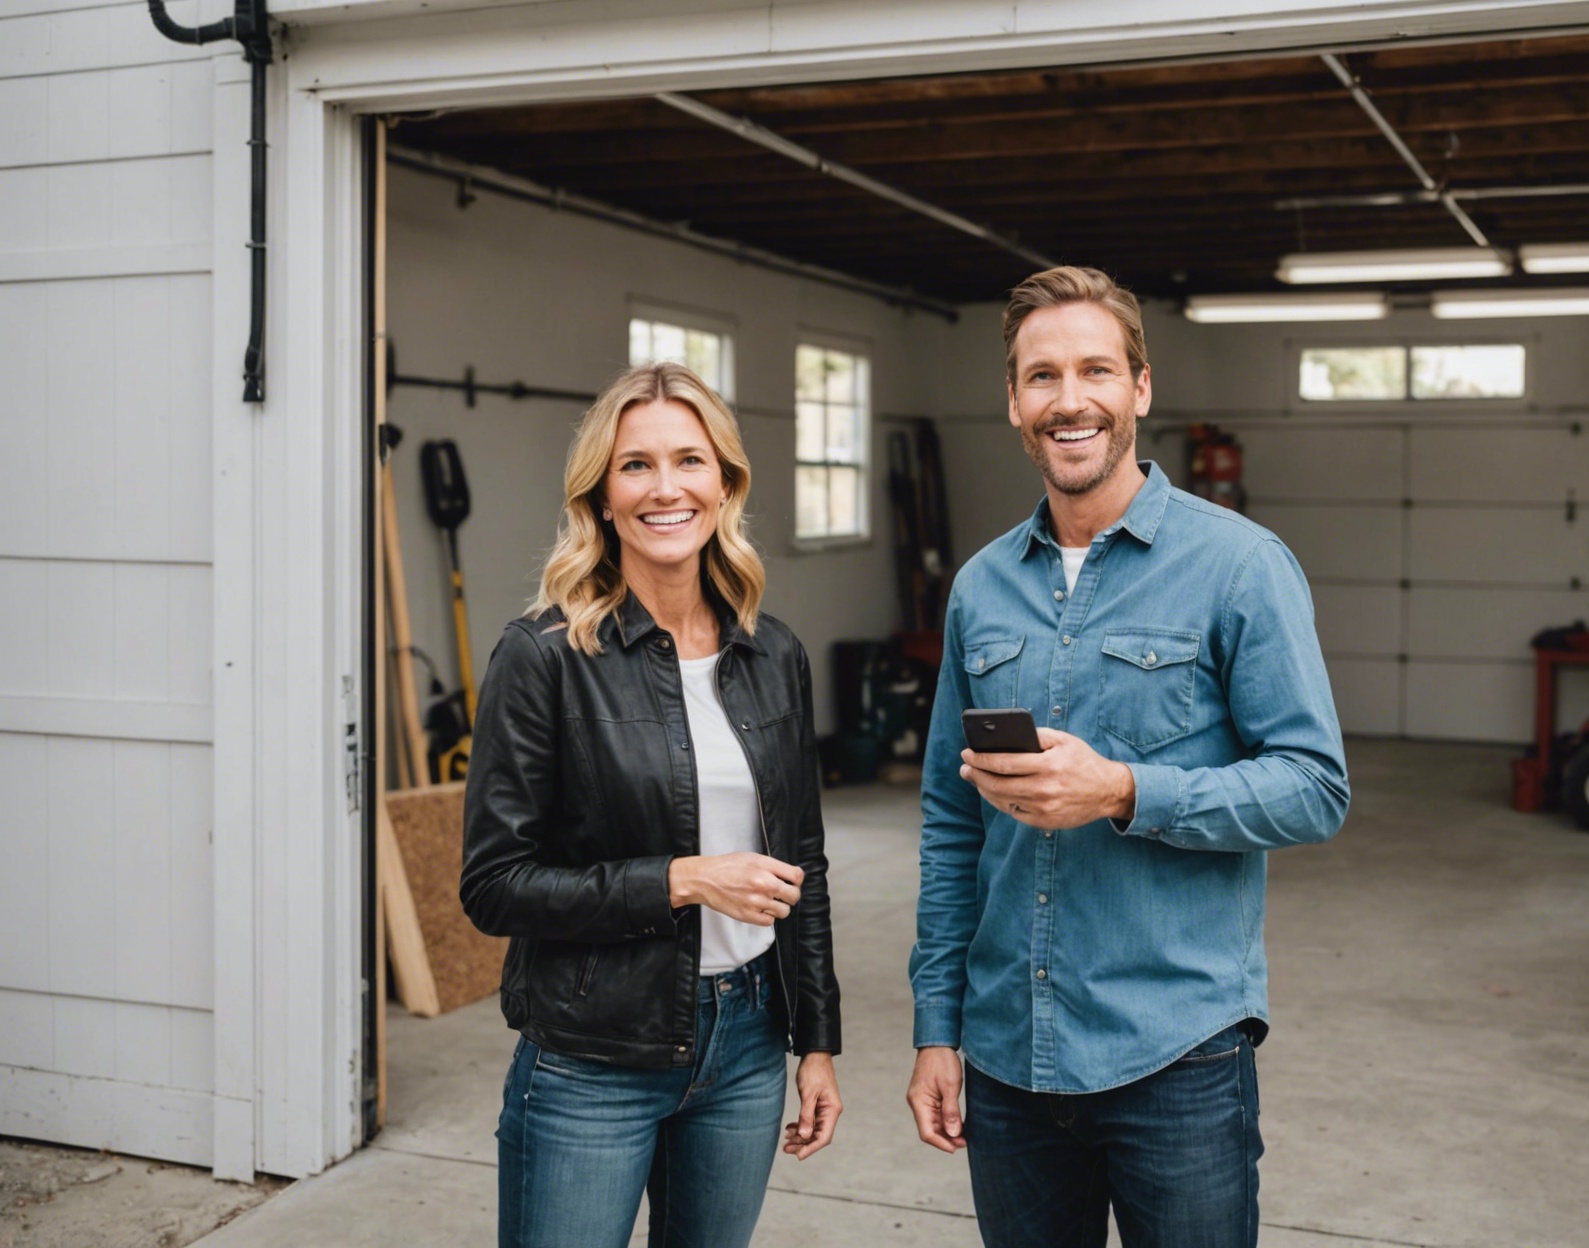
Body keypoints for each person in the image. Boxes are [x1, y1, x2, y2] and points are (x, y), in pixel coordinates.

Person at [906, 267, 1349, 1247]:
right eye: (1043, 376)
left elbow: (1315, 789)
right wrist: (937, 1023)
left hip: (1177, 1059)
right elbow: (948, 824)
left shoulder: (1240, 566)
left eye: (1096, 370)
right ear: (1014, 403)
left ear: (1140, 390)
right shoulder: (981, 589)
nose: (1070, 400)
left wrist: (1123, 791)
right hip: (1008, 1059)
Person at [461, 361, 841, 1248]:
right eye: (635, 466)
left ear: (725, 484)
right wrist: (683, 879)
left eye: (690, 461)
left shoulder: (771, 653)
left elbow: (805, 864)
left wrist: (816, 1040)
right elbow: (494, 886)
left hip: (748, 1043)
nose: (665, 488)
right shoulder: (544, 656)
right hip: (593, 1051)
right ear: (599, 496)